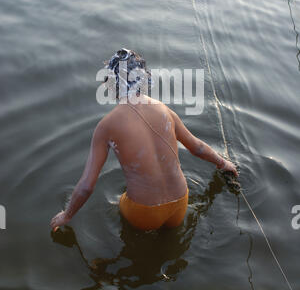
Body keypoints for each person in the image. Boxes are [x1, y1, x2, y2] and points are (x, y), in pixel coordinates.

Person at [51, 49, 238, 232]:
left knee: (119, 204)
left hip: (143, 213)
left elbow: (86, 187)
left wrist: (67, 215)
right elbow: (197, 148)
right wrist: (223, 163)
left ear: (111, 84)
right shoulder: (165, 110)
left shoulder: (106, 126)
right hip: (181, 202)